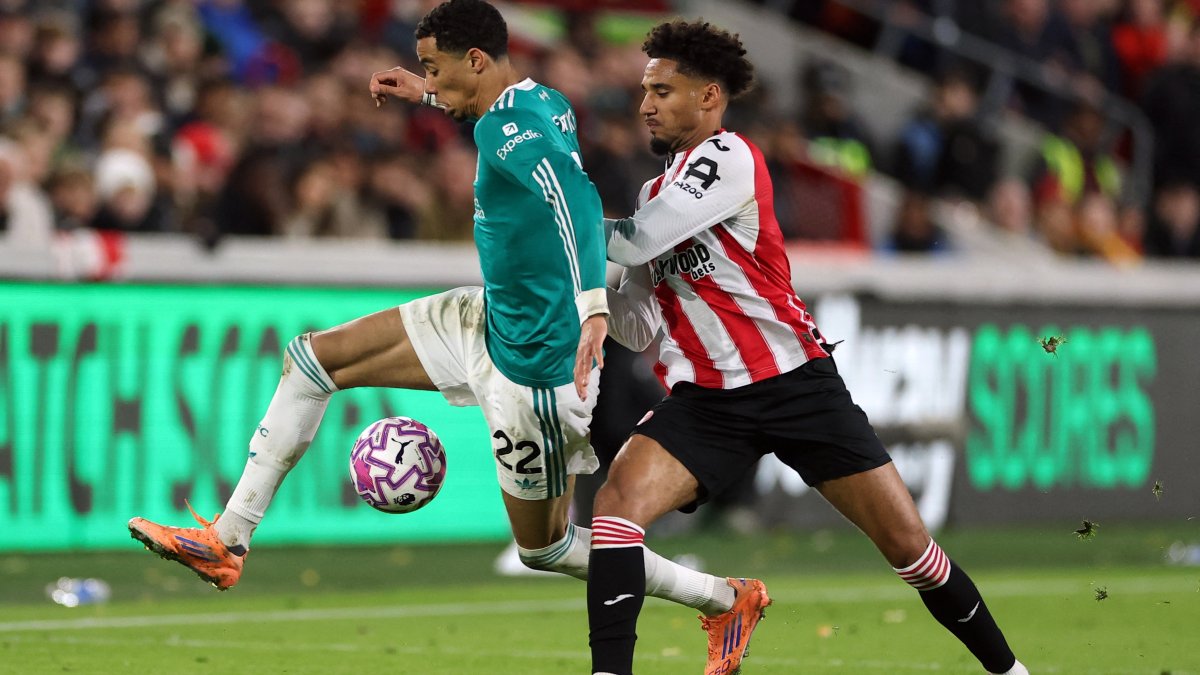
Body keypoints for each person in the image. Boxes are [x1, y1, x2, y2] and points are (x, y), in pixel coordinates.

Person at [127, 0, 746, 633]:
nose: (430, 77)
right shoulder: (545, 102)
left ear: (475, 60)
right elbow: (506, 123)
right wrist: (427, 92)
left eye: (435, 66)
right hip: (483, 317)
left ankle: (723, 598)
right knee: (312, 360)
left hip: (534, 367)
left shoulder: (507, 131)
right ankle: (228, 541)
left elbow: (579, 204)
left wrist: (593, 307)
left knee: (548, 548)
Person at [589, 19, 1029, 675]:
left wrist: (561, 219)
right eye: (645, 90)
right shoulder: (655, 195)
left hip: (795, 383)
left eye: (663, 89)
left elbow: (628, 243)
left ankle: (1011, 672)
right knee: (616, 506)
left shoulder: (729, 157)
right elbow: (641, 326)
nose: (646, 103)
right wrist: (607, 302)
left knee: (911, 549)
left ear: (710, 97)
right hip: (709, 399)